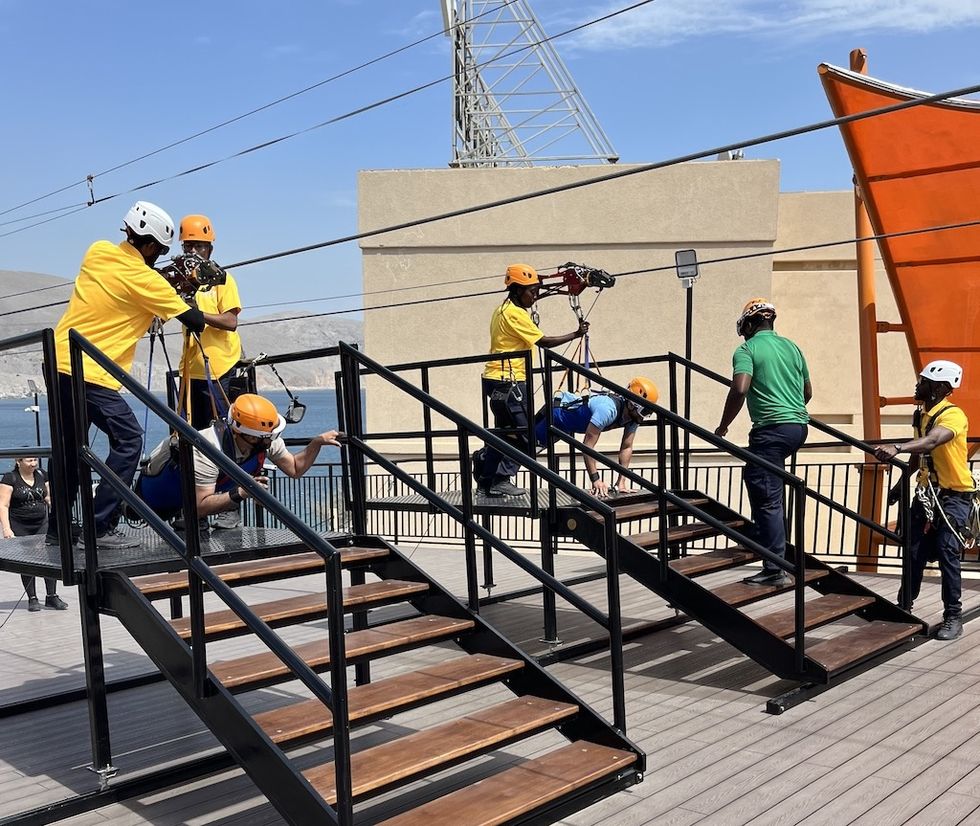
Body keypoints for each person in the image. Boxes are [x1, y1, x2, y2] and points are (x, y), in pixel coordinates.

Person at [49, 201, 212, 550]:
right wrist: (185, 290)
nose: (160, 258)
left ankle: (57, 530)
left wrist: (162, 285)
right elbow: (195, 321)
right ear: (151, 246)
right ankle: (99, 527)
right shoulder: (147, 282)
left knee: (68, 449)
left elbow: (121, 291)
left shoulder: (98, 251)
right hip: (90, 371)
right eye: (161, 251)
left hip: (58, 359)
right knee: (129, 440)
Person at [873, 360, 972, 641]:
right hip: (927, 495)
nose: (918, 385)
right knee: (913, 551)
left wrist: (896, 447)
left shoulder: (953, 415)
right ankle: (904, 607)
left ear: (940, 387)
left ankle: (953, 616)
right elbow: (920, 456)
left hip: (954, 497)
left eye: (923, 381)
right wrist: (901, 483)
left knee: (946, 553)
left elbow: (931, 442)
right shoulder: (921, 415)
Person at [715, 299, 810, 586]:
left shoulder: (747, 349)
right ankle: (765, 538)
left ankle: (774, 567)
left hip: (771, 431)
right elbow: (807, 391)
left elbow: (740, 388)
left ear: (749, 323)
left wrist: (724, 425)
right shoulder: (793, 347)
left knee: (768, 497)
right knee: (758, 479)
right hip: (797, 427)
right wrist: (789, 409)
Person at [475, 263, 588, 497]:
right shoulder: (515, 314)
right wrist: (576, 334)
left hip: (498, 380)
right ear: (516, 290)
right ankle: (499, 478)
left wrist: (575, 285)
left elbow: (535, 298)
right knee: (527, 437)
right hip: (510, 382)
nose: (535, 296)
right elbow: (544, 342)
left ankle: (486, 475)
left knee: (507, 432)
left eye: (536, 291)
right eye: (531, 292)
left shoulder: (502, 309)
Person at [137, 394, 342, 522]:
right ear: (244, 434)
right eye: (264, 437)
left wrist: (316, 443)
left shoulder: (267, 440)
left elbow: (295, 468)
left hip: (188, 499)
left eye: (272, 435)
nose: (270, 441)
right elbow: (198, 507)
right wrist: (243, 492)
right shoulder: (206, 448)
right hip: (155, 498)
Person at [534, 377, 658, 498]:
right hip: (554, 416)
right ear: (631, 404)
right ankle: (512, 480)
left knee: (529, 448)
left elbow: (627, 447)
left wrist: (621, 481)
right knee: (525, 445)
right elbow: (587, 446)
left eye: (648, 413)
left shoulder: (633, 418)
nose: (643, 417)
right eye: (644, 412)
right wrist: (596, 480)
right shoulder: (607, 409)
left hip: (566, 426)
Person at [178, 215, 243, 430]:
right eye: (189, 247)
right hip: (190, 370)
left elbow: (231, 321)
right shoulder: (182, 283)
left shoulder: (222, 280)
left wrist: (198, 316)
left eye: (199, 246)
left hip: (219, 370)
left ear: (209, 250)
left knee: (219, 432)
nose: (194, 252)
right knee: (192, 433)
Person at [0, 458, 66, 611]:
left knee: (49, 559)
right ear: (19, 461)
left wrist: (60, 518)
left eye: (35, 460)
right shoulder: (11, 478)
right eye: (29, 460)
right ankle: (32, 598)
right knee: (28, 561)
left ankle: (52, 596)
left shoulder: (42, 474)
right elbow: (3, 505)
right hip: (20, 524)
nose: (33, 464)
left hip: (42, 523)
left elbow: (49, 497)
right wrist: (6, 529)